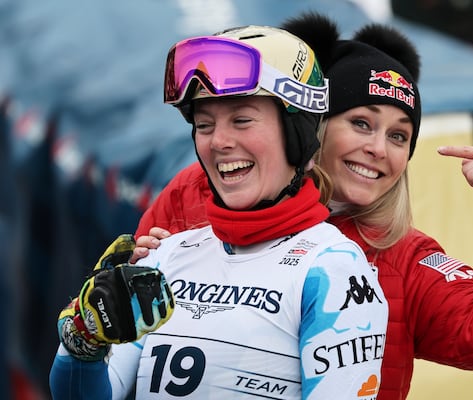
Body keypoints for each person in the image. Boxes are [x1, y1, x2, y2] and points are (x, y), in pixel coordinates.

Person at [131, 13, 473, 400]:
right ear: (310, 124)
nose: (378, 148)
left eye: (398, 136)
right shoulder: (201, 188)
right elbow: (122, 339)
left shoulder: (405, 258)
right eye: (361, 123)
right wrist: (137, 266)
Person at [49, 24, 389, 399]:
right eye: (204, 124)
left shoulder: (331, 268)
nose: (219, 142)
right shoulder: (167, 254)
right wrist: (84, 337)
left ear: (299, 134)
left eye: (242, 120)